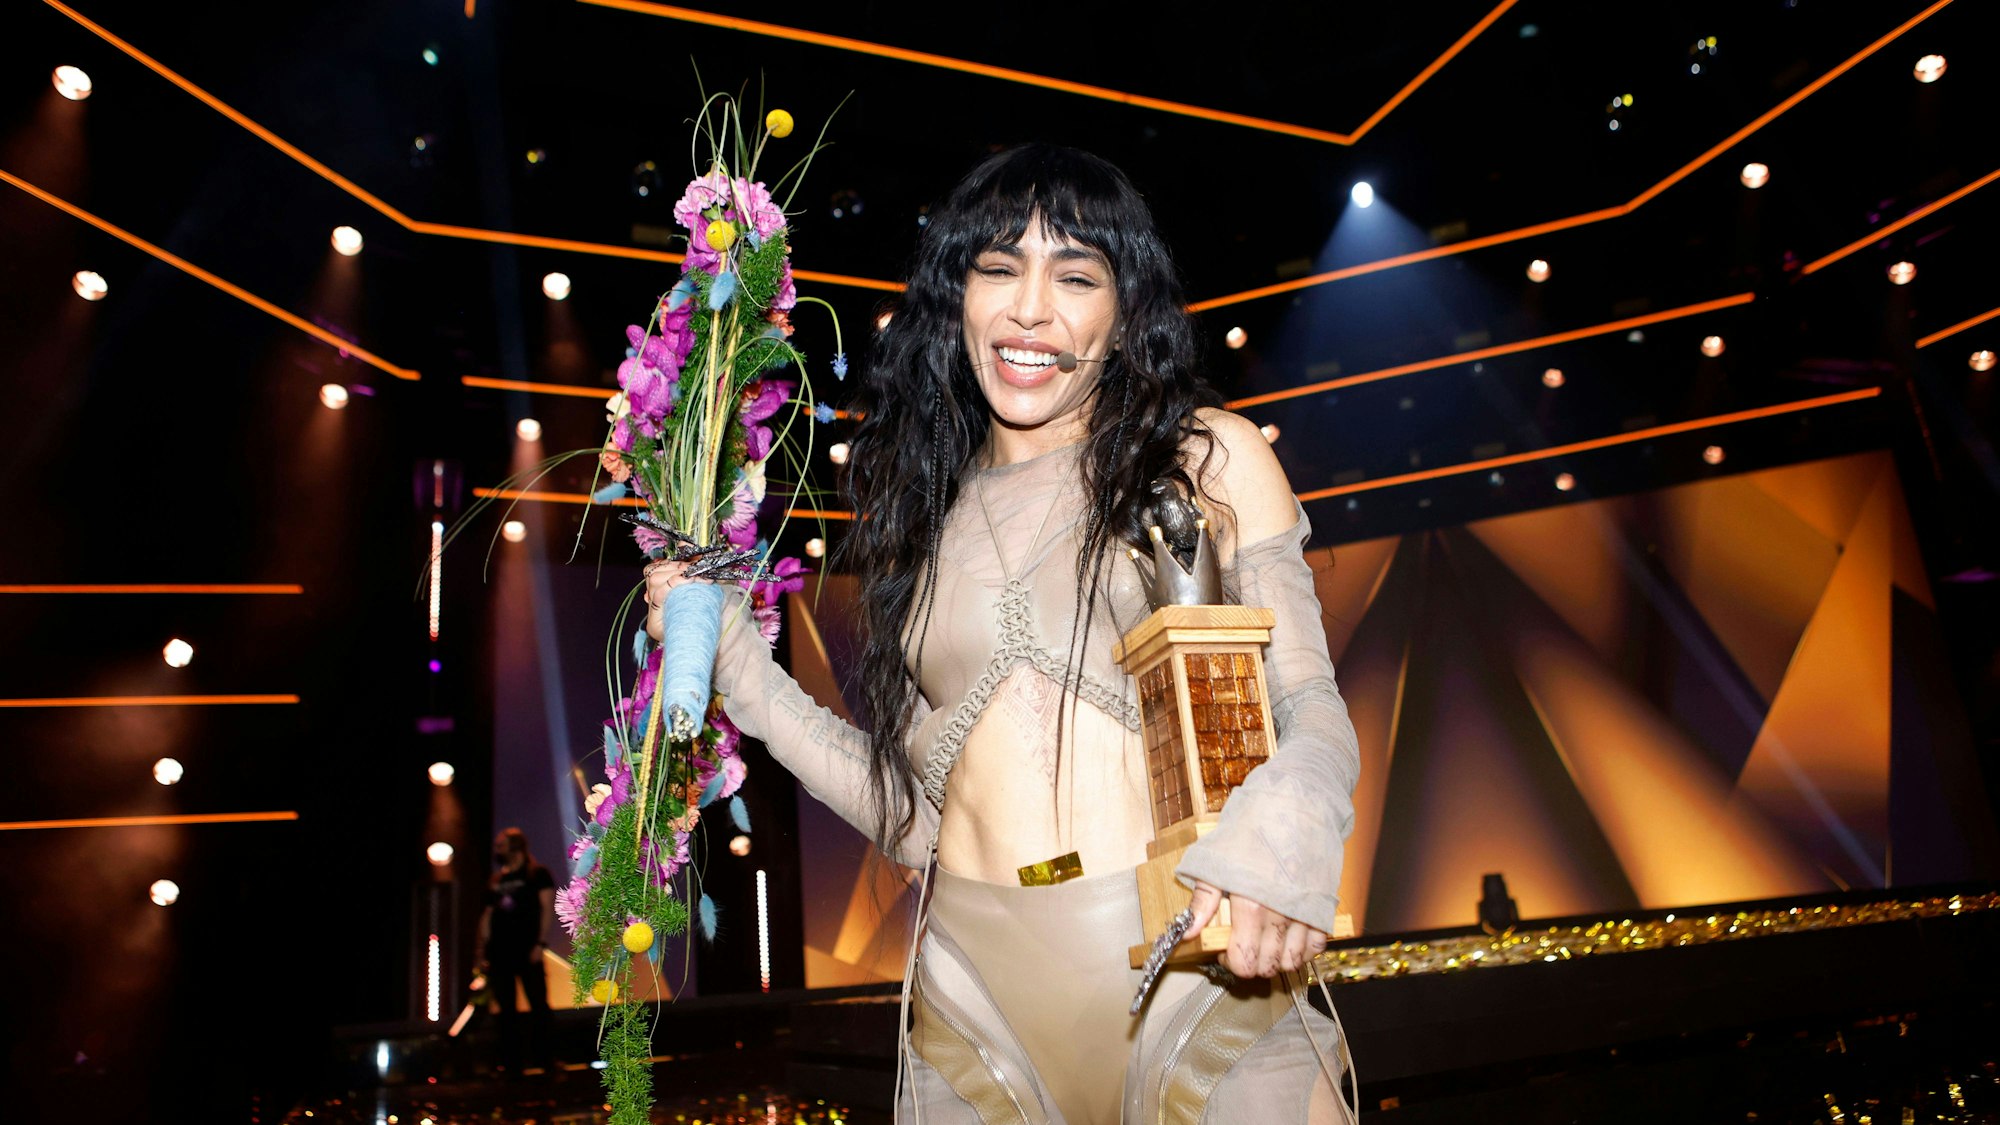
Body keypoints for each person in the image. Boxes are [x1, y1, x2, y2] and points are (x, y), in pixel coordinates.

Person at [647, 144, 1360, 1124]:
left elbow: (1306, 705)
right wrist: (740, 669)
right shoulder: (912, 528)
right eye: (997, 269)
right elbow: (912, 821)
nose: (1031, 308)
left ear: (1121, 312)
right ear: (955, 299)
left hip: (1200, 977)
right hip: (971, 1004)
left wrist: (1283, 843)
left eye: (1074, 276)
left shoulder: (1203, 457)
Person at [478, 827, 555, 1072]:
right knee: (506, 1010)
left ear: (515, 847)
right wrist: (481, 951)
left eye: (501, 845)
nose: (497, 850)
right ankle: (512, 1066)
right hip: (500, 953)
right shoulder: (496, 880)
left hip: (527, 949)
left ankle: (545, 1061)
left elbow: (546, 908)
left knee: (538, 1006)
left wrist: (540, 943)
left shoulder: (537, 874)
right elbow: (487, 916)